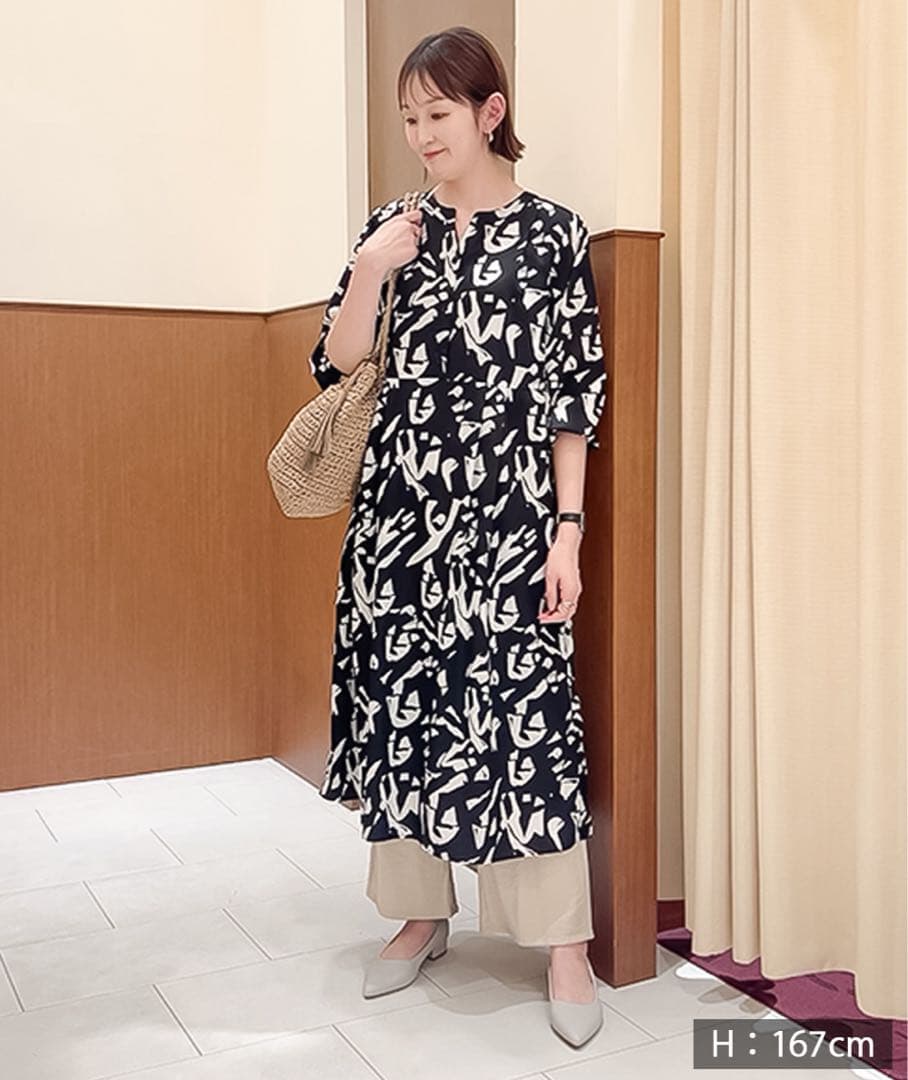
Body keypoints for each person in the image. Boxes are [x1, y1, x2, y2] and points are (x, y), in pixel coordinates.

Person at [309, 26, 607, 1048]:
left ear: (489, 112)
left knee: (527, 714)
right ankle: (419, 913)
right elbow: (337, 363)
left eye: (436, 113)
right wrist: (367, 270)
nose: (421, 134)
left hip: (513, 519)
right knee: (405, 710)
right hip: (398, 520)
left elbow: (572, 402)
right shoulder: (391, 230)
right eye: (408, 118)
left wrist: (566, 535)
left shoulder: (554, 234)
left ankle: (562, 943)